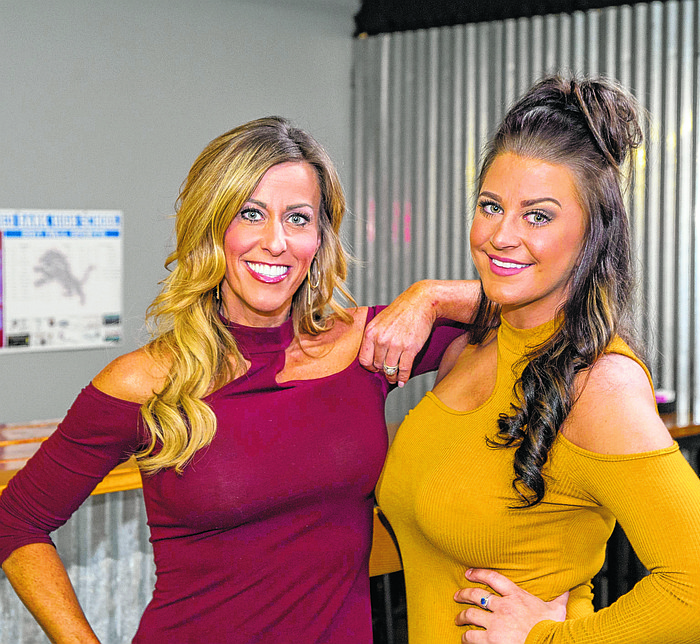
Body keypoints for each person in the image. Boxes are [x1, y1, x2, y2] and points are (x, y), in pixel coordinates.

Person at [0, 117, 475, 643]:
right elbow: (15, 520)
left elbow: (548, 307)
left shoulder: (366, 344)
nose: (276, 242)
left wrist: (433, 296)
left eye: (298, 218)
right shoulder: (147, 380)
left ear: (320, 236)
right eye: (251, 214)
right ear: (213, 226)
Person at [375, 75, 700, 643]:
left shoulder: (601, 386)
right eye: (491, 206)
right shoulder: (470, 350)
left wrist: (545, 640)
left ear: (591, 234)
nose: (502, 235)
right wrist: (431, 293)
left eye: (539, 215)